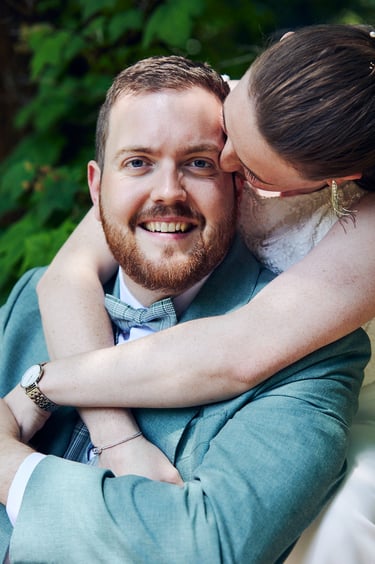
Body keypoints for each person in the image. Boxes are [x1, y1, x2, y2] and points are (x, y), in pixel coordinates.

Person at [0, 54, 370, 563]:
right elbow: (67, 275)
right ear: (96, 186)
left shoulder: (313, 358)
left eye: (202, 163)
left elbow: (205, 548)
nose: (168, 193)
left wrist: (12, 466)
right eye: (137, 163)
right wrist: (116, 435)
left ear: (242, 186)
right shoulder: (30, 299)